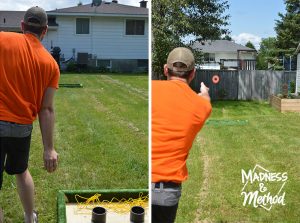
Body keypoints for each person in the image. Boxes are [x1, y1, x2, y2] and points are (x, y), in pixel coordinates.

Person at [0, 6, 60, 223]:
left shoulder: (2, 40)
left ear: (22, 25)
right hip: (21, 127)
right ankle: (29, 217)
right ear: (44, 31)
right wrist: (49, 149)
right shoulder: (51, 64)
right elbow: (46, 109)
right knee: (21, 171)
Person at [152, 47, 212, 223]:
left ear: (165, 69)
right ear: (192, 73)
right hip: (166, 193)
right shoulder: (203, 107)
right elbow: (204, 102)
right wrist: (205, 94)